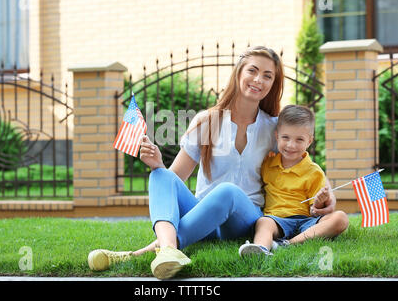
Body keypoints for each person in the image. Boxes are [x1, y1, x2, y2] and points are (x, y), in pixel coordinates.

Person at [87, 46, 337, 279]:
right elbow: (175, 180)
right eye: (253, 70)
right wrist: (157, 164)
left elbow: (304, 163)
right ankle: (167, 251)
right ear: (239, 73)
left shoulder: (273, 128)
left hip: (244, 220)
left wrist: (329, 196)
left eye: (268, 76)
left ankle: (140, 253)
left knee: (227, 191)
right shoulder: (207, 121)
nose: (258, 80)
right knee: (160, 176)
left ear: (273, 83)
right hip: (205, 217)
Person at [238, 105, 349, 257]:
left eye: (299, 140)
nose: (291, 145)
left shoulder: (313, 171)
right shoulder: (268, 164)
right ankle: (260, 249)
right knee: (263, 222)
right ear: (276, 136)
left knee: (340, 218)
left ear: (309, 141)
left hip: (306, 222)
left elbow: (315, 211)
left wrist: (319, 201)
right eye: (286, 138)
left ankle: (288, 244)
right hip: (277, 220)